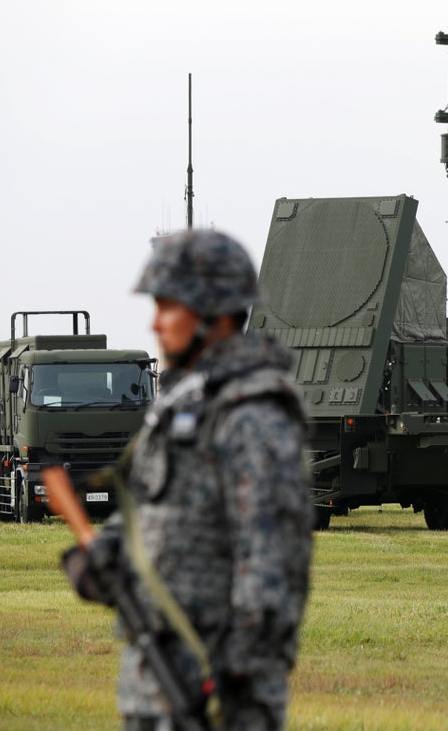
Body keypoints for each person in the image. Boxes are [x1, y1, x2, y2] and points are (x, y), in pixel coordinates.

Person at [63, 229, 313, 730]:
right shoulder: (182, 406)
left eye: (169, 307)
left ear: (215, 315)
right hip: (153, 689)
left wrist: (236, 684)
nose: (155, 323)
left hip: (216, 698)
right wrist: (110, 554)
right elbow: (153, 510)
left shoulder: (251, 415)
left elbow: (272, 563)